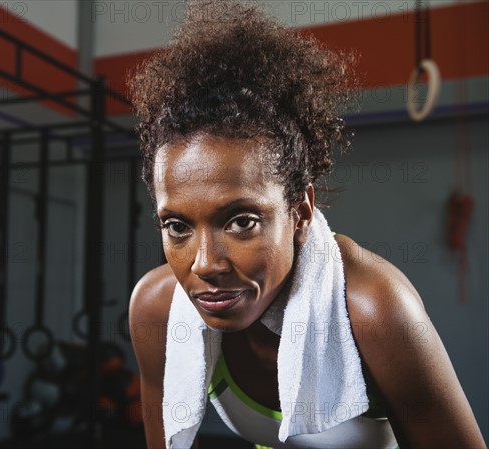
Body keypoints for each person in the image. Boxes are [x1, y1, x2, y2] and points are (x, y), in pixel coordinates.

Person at [128, 2, 485, 448]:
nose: (205, 265)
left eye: (242, 221)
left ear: (300, 213)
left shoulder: (375, 311)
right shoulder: (157, 309)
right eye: (177, 226)